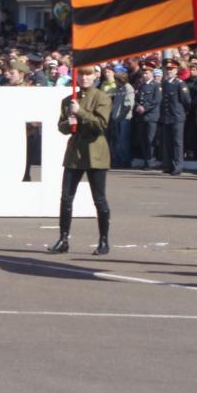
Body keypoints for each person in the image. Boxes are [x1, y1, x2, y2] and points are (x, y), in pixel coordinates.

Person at [45, 64, 114, 256]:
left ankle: (103, 241)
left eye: (88, 74)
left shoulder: (102, 97)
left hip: (95, 152)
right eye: (81, 74)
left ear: (95, 76)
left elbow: (101, 125)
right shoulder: (69, 100)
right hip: (75, 153)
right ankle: (63, 239)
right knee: (66, 198)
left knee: (99, 199)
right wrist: (69, 122)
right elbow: (61, 127)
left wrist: (80, 112)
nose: (84, 77)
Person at [158, 63, 192, 174]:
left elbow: (187, 101)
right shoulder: (165, 83)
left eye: (171, 69)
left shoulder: (180, 84)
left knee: (177, 142)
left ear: (176, 70)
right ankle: (169, 165)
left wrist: (182, 112)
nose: (169, 71)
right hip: (167, 116)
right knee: (168, 142)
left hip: (177, 116)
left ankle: (178, 166)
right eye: (167, 69)